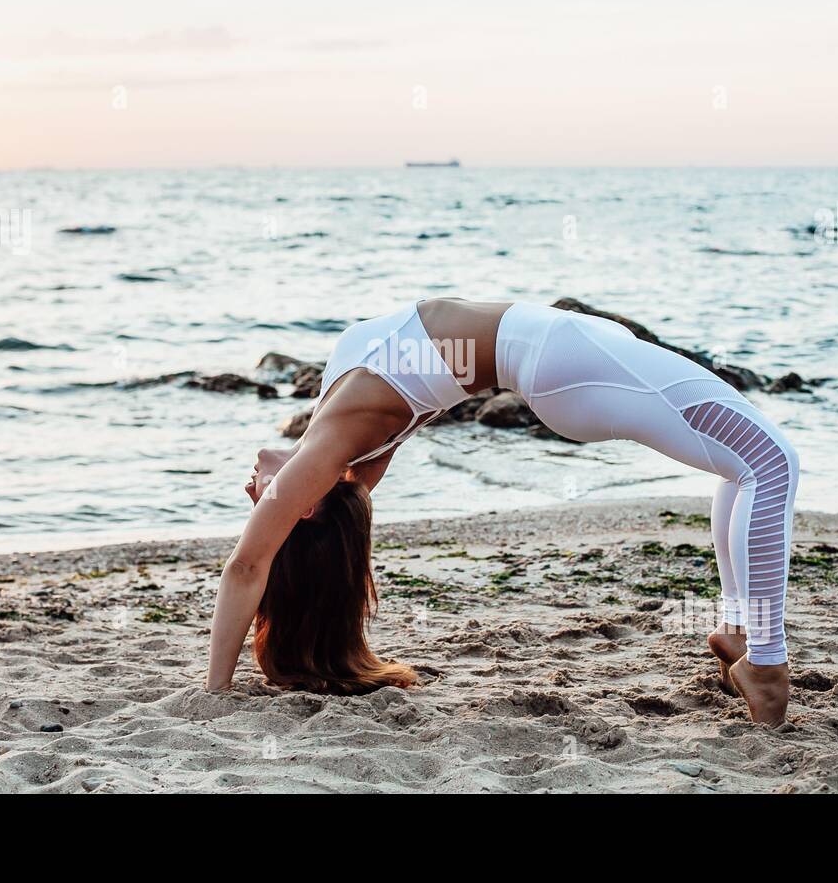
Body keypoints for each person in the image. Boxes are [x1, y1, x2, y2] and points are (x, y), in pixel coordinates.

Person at [207, 298, 800, 725]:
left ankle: (738, 631)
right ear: (301, 509)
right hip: (567, 364)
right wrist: (215, 692)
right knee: (770, 464)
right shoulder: (327, 452)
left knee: (741, 465)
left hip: (569, 358)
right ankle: (766, 668)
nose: (250, 491)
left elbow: (334, 525)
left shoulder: (348, 451)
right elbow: (245, 568)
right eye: (261, 499)